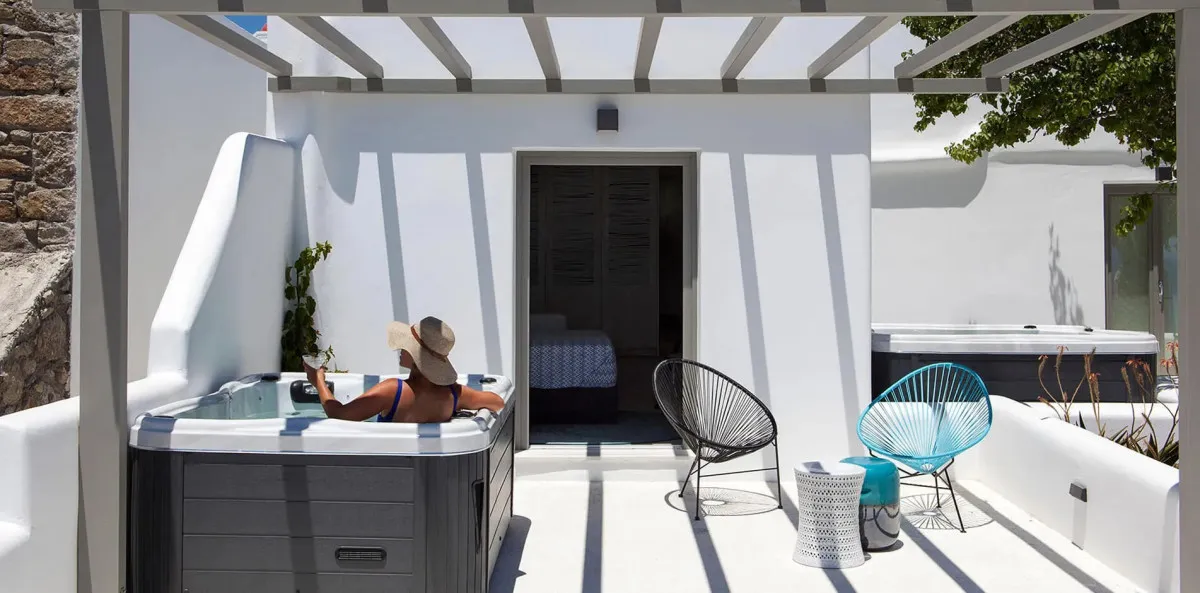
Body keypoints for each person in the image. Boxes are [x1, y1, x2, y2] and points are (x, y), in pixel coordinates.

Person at [302, 316, 505, 422]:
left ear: (417, 357)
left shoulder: (392, 390)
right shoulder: (454, 394)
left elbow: (339, 415)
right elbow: (497, 402)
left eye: (407, 345)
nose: (400, 349)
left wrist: (318, 381)